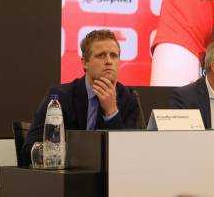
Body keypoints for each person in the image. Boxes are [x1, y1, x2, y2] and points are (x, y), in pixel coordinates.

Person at [21, 29, 140, 165]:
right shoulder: (59, 97)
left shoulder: (129, 99)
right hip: (67, 179)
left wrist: (111, 112)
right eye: (101, 55)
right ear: (85, 63)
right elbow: (28, 151)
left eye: (113, 55)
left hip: (111, 181)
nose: (108, 61)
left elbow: (127, 155)